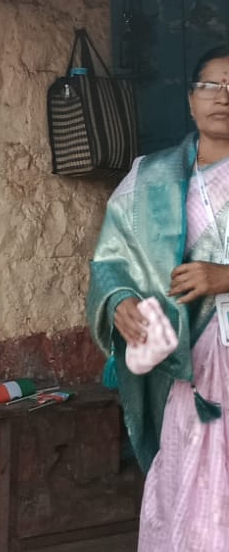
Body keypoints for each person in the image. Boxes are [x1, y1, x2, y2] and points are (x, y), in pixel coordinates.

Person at [88, 44, 229, 548]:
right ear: (190, 100)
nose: (223, 97)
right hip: (187, 369)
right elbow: (110, 260)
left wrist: (224, 277)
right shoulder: (151, 177)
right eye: (211, 85)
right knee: (190, 482)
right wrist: (119, 301)